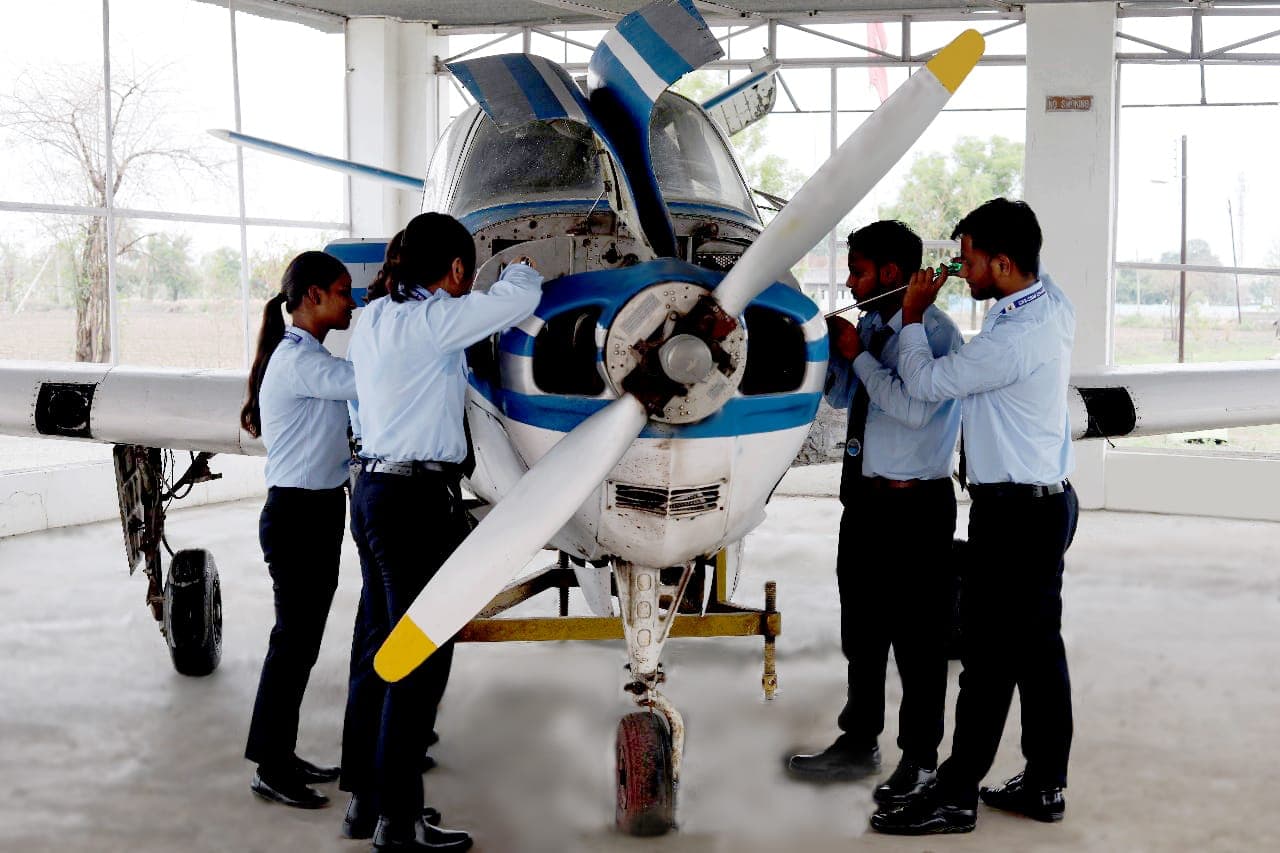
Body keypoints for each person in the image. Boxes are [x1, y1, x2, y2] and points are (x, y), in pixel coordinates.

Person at [870, 198, 1079, 835]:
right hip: (1044, 502)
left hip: (1014, 515)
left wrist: (911, 316)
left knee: (986, 658)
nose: (959, 271)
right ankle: (1045, 783)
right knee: (1039, 653)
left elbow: (926, 383)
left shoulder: (1011, 341)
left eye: (969, 262)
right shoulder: (1049, 303)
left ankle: (955, 795)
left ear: (1005, 262)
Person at [339, 212, 544, 853]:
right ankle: (399, 823)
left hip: (372, 490)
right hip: (413, 502)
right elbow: (522, 297)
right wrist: (521, 267)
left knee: (380, 647)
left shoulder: (372, 319)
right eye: (466, 272)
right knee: (418, 657)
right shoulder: (433, 321)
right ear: (455, 271)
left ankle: (365, 802)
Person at [787, 221, 963, 809]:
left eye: (857, 269)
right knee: (862, 630)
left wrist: (858, 356)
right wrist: (829, 357)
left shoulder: (934, 335)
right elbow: (843, 399)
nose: (849, 280)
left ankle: (919, 759)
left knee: (918, 638)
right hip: (863, 500)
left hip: (915, 505)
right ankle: (859, 739)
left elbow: (911, 410)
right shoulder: (869, 325)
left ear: (890, 273)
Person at [240, 250, 358, 809]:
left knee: (300, 643)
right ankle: (270, 765)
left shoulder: (304, 354)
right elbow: (364, 383)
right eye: (343, 290)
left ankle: (280, 755)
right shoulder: (303, 361)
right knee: (293, 644)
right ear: (312, 296)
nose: (351, 301)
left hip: (313, 511)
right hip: (299, 515)